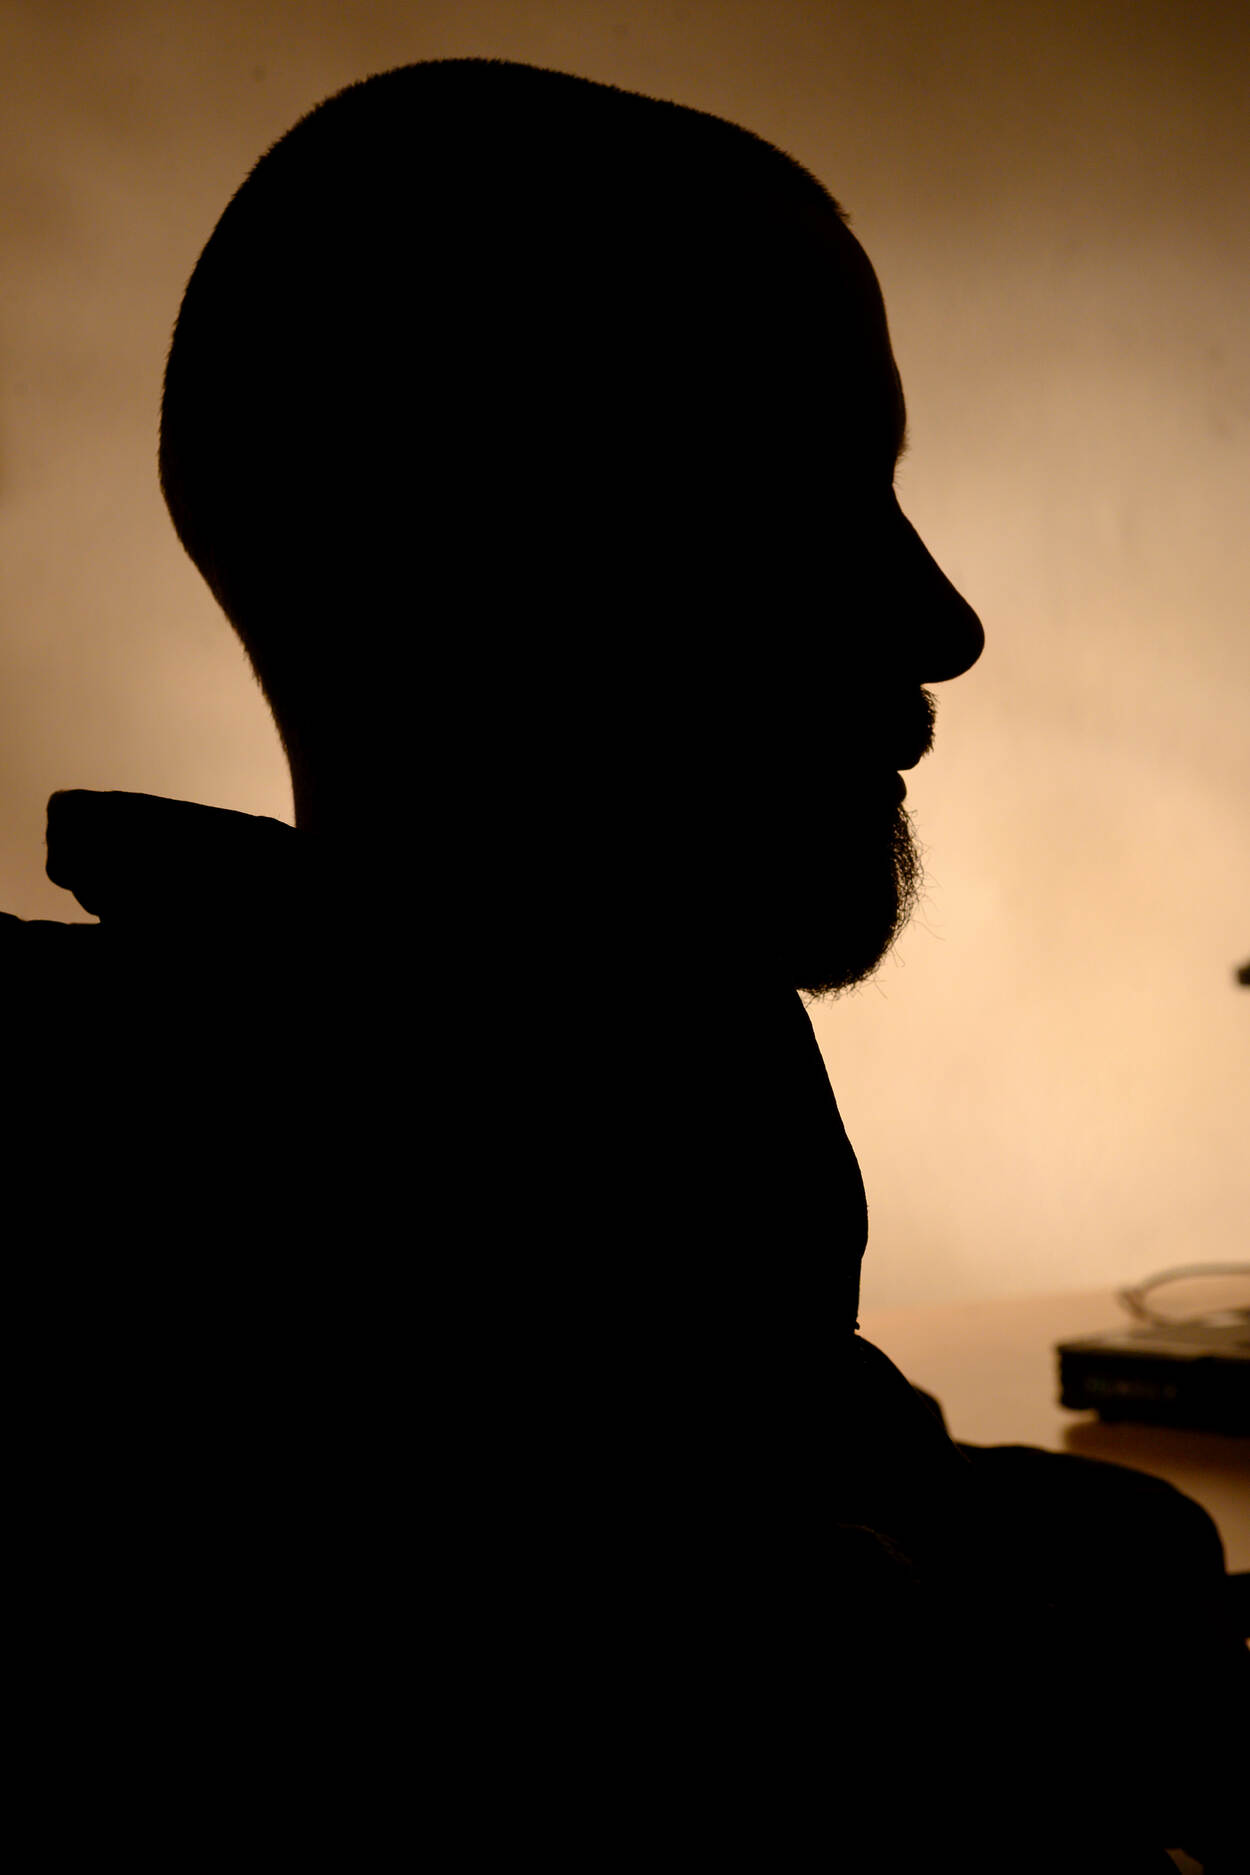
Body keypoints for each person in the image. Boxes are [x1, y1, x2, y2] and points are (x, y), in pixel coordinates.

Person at [5, 58, 1244, 1868]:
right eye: (812, 497)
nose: (942, 623)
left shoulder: (623, 1086)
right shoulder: (185, 1259)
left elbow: (814, 1461)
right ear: (490, 560)